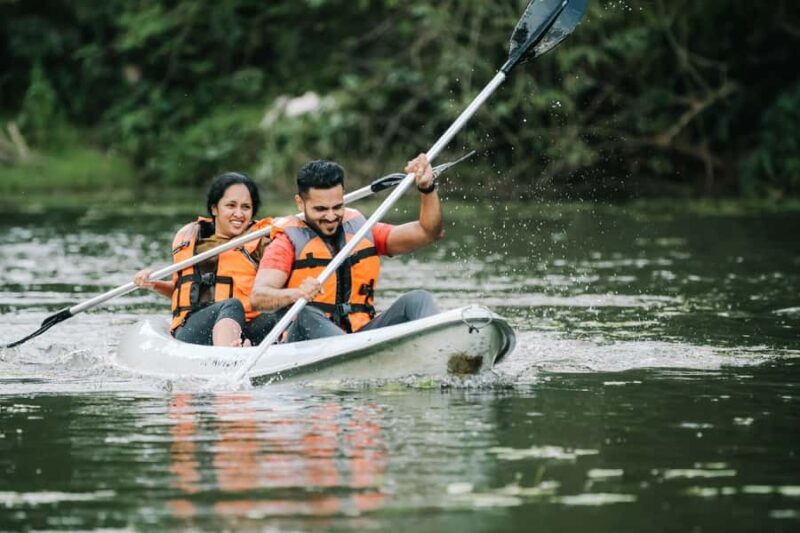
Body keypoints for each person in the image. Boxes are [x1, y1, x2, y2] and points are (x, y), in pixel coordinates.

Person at [250, 154, 443, 342]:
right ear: (300, 203)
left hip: (359, 337)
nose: (331, 216)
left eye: (337, 207)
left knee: (418, 300)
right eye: (321, 209)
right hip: (305, 342)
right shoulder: (285, 242)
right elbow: (258, 297)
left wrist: (427, 189)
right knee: (306, 315)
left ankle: (443, 351)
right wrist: (297, 294)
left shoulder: (361, 230)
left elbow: (428, 232)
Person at [133, 172, 277, 347]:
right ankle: (228, 356)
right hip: (194, 327)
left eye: (246, 207)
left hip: (242, 325)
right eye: (231, 205)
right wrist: (154, 283)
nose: (239, 213)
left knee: (278, 315)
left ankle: (247, 347)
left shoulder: (260, 241)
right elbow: (182, 292)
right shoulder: (193, 241)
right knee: (232, 305)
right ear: (214, 208)